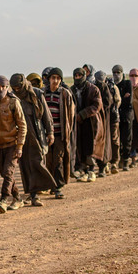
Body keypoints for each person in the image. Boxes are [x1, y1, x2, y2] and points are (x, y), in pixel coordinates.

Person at [11, 73, 58, 207]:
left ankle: (48, 187)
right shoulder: (13, 97)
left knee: (37, 163)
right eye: (14, 88)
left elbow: (46, 116)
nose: (17, 90)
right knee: (25, 166)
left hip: (36, 136)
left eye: (19, 87)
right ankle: (33, 195)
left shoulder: (36, 94)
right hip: (21, 138)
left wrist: (50, 133)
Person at [0, 76, 26, 210]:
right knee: (4, 173)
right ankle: (18, 198)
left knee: (8, 172)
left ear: (7, 88)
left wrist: (20, 146)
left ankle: (3, 199)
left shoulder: (14, 103)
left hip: (12, 144)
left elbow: (22, 125)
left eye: (3, 86)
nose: (1, 89)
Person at [43, 68, 76, 197]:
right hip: (46, 134)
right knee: (48, 160)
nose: (55, 80)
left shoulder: (65, 94)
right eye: (53, 78)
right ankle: (50, 185)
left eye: (58, 78)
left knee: (58, 160)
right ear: (49, 79)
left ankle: (58, 187)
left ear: (61, 80)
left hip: (60, 133)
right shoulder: (43, 93)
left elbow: (70, 114)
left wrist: (67, 132)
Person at [71, 67, 102, 181]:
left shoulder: (93, 89)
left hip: (91, 122)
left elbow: (97, 105)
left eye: (80, 75)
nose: (78, 78)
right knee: (80, 145)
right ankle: (82, 169)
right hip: (78, 123)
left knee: (91, 146)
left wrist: (83, 114)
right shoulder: (72, 90)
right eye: (76, 76)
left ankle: (91, 170)